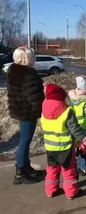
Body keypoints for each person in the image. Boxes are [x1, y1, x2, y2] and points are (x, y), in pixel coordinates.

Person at [7, 46, 45, 184]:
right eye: (32, 57)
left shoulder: (14, 71)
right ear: (27, 58)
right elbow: (33, 96)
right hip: (28, 111)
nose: (34, 59)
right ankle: (21, 172)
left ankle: (26, 167)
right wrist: (41, 108)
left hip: (20, 109)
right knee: (24, 142)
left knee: (25, 141)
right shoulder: (28, 73)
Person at [41, 84, 86, 199]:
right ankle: (71, 192)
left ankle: (51, 191)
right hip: (65, 147)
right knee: (68, 169)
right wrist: (84, 140)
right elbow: (74, 129)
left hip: (50, 146)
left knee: (52, 169)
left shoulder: (44, 109)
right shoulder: (66, 111)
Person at [69, 76, 86, 181]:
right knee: (85, 148)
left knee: (79, 147)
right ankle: (84, 167)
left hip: (75, 126)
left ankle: (80, 165)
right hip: (85, 127)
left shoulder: (73, 99)